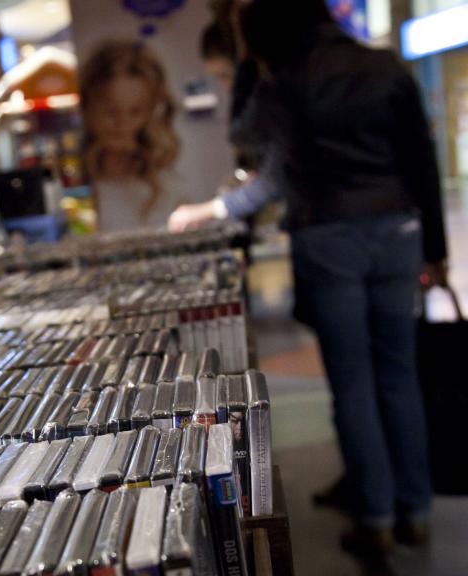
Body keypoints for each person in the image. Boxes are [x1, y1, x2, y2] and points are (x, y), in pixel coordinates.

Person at [169, 0, 447, 560]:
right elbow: (423, 161)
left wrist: (247, 67)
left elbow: (244, 134)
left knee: (353, 383)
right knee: (400, 375)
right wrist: (437, 252)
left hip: (327, 236)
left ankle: (375, 518)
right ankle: (415, 511)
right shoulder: (385, 66)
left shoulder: (286, 81)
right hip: (396, 229)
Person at [79, 40, 183, 230]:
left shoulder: (166, 184)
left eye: (135, 112)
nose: (123, 124)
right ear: (88, 109)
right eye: (111, 112)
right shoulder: (76, 183)